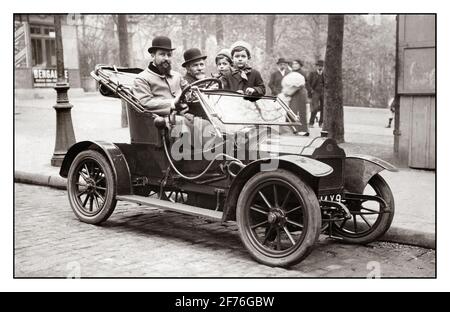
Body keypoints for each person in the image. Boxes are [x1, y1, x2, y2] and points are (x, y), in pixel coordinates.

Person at [307, 59, 325, 128]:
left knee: (323, 108)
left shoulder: (324, 74)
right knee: (315, 108)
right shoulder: (312, 73)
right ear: (316, 66)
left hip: (323, 92)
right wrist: (311, 90)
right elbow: (307, 83)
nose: (320, 67)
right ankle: (311, 122)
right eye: (319, 66)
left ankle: (321, 123)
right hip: (315, 92)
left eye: (321, 66)